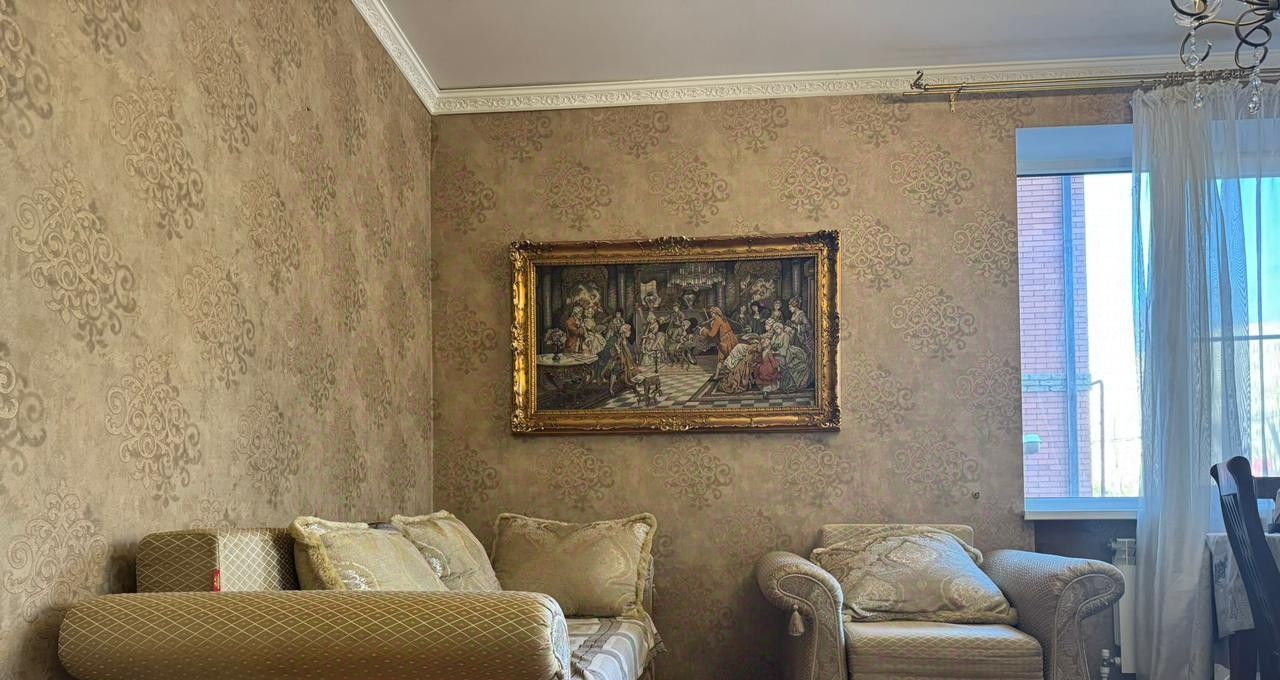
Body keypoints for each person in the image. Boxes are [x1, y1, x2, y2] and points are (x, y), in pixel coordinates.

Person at [700, 306, 738, 379]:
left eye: (713, 313)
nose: (712, 315)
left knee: (727, 357)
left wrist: (704, 331)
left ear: (716, 313)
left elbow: (712, 334)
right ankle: (717, 375)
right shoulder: (722, 319)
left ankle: (733, 374)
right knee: (725, 357)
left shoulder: (717, 321)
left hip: (725, 341)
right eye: (711, 313)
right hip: (730, 338)